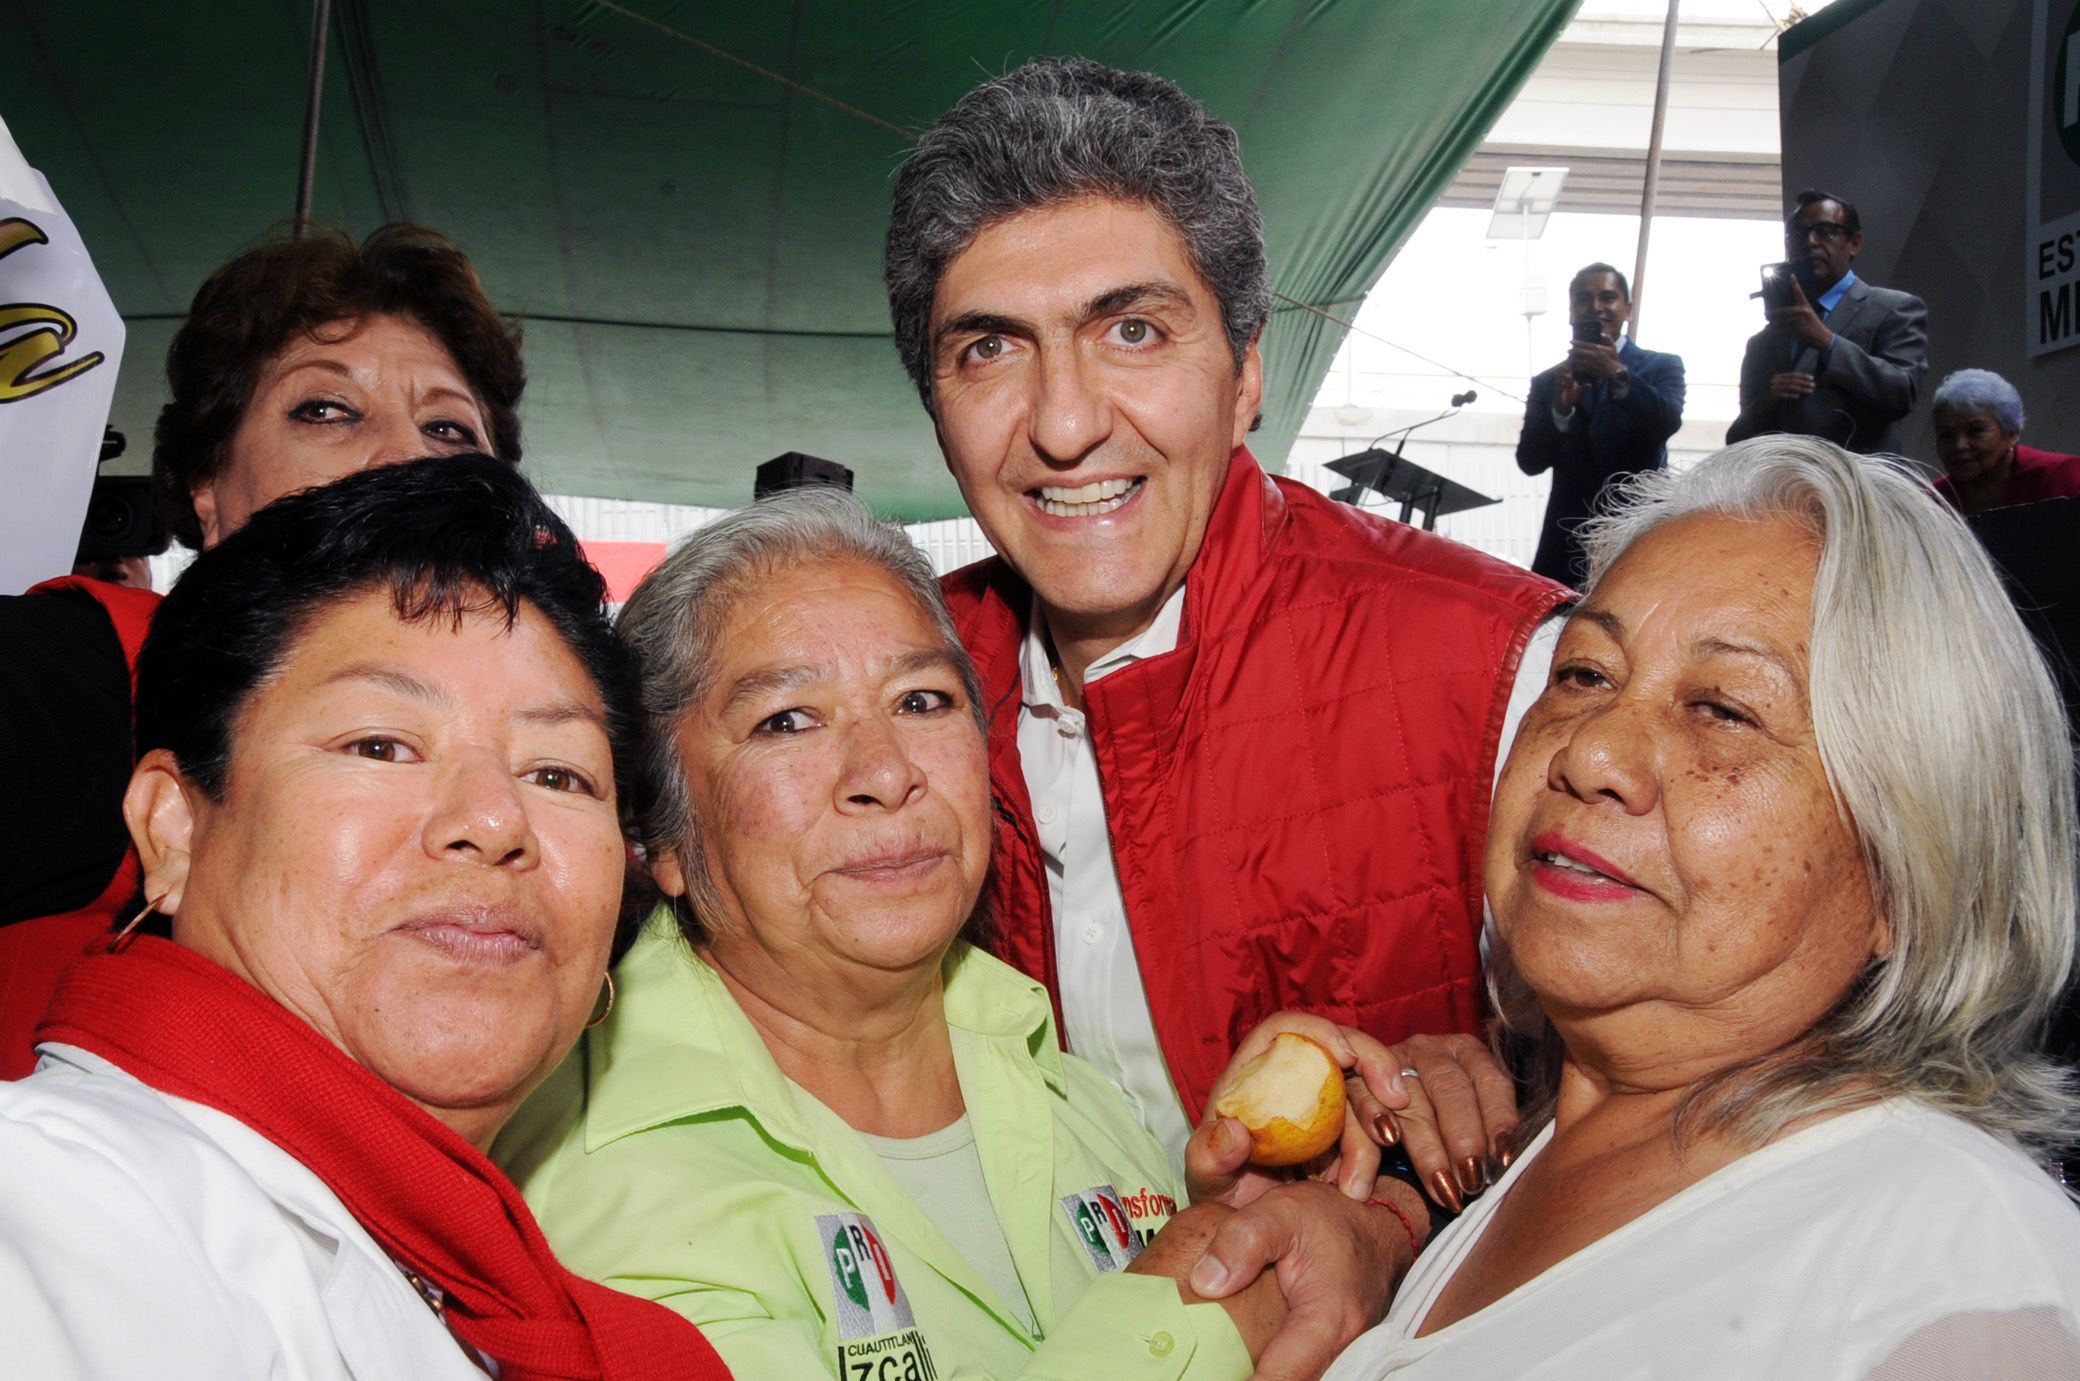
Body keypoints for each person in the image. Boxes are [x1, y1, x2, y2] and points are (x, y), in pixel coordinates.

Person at [500, 489, 1432, 1381]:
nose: (884, 772)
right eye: (787, 721)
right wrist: (1202, 1288)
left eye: (922, 700)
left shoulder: (1061, 1079)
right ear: (661, 834)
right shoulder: (594, 1184)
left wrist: (1267, 1210)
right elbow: (1197, 1299)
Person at [884, 57, 1566, 1185]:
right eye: (989, 349)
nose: (1064, 425)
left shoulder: (1506, 679)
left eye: (1133, 331)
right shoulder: (901, 692)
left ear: (1246, 377)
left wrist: (1448, 1160)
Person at [1319, 436, 2080, 1378]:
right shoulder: (1538, 1154)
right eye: (1585, 673)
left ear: (1904, 866)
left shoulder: (1955, 1276)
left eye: (1722, 709)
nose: (1590, 752)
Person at [0, 455, 729, 1380]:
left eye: (558, 773)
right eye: (381, 745)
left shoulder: (534, 1317)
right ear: (174, 830)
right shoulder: (57, 1205)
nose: (495, 820)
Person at [0, 221, 523, 1078]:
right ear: (207, 487)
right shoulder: (82, 677)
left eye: (449, 430)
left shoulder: (542, 746)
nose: (406, 457)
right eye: (326, 410)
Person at [1514, 263, 1685, 587]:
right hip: (1566, 549)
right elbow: (1529, 462)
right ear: (1570, 311)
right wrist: (1560, 411)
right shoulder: (1550, 382)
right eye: (1583, 299)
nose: (1595, 307)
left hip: (1636, 538)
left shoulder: (1661, 366)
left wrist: (1618, 375)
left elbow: (1666, 423)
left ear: (1627, 309)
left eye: (1607, 297)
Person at [1726, 190, 1927, 455]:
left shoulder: (1894, 309)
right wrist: (1767, 401)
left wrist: (1827, 342)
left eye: (1825, 231)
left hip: (1860, 478)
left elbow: (1901, 395)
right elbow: (1737, 442)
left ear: (1854, 243)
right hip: (1787, 478)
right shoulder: (1763, 342)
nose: (1810, 242)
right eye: (1798, 233)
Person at [1928, 367, 2080, 514]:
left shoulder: (2061, 477)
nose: (1959, 445)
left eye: (1975, 431)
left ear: (2012, 433)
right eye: (1946, 435)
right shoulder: (1933, 501)